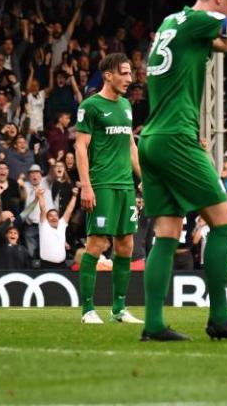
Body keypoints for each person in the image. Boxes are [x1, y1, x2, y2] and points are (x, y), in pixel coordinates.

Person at [138, 0, 227, 342]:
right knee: (225, 223)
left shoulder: (172, 22)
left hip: (152, 137)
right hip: (177, 137)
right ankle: (220, 317)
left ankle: (154, 324)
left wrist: (224, 25)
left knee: (167, 231)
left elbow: (225, 45)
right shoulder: (200, 19)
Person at [74, 52, 143, 325]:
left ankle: (118, 309)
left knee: (126, 244)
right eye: (124, 73)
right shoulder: (90, 106)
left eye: (130, 73)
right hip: (101, 184)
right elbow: (80, 147)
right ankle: (88, 310)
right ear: (108, 75)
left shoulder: (126, 106)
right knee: (98, 243)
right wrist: (86, 186)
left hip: (125, 185)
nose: (129, 78)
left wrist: (144, 181)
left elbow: (131, 147)